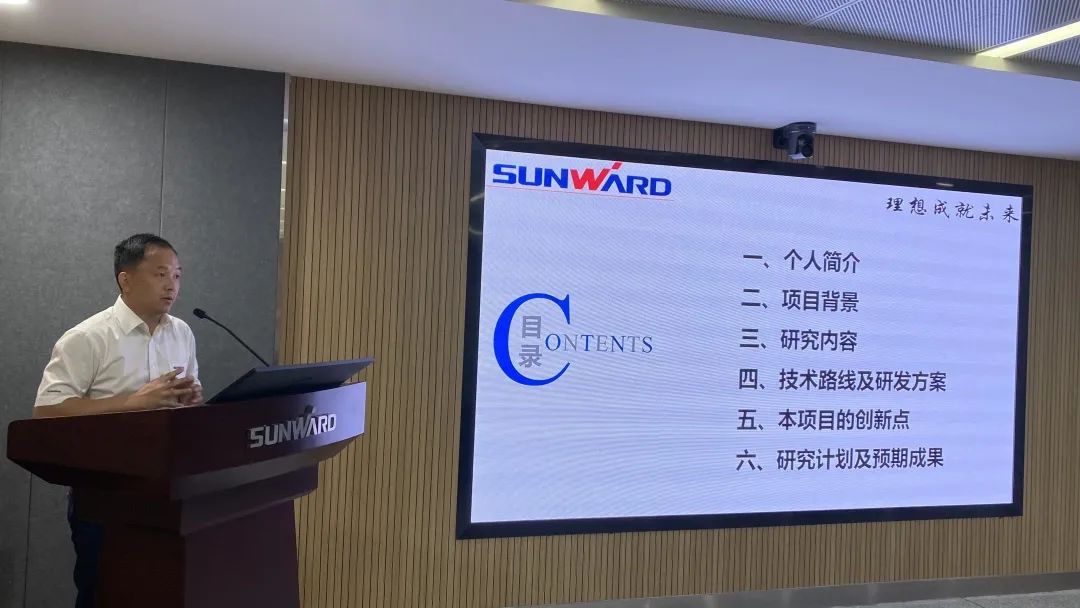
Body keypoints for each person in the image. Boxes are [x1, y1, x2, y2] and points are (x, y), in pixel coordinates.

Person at [33, 233, 203, 608]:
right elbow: (47, 411)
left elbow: (185, 403)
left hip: (169, 492)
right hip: (105, 495)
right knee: (104, 593)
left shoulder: (182, 333)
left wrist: (190, 399)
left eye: (177, 275)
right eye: (160, 274)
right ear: (125, 279)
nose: (172, 285)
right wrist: (132, 403)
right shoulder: (87, 337)